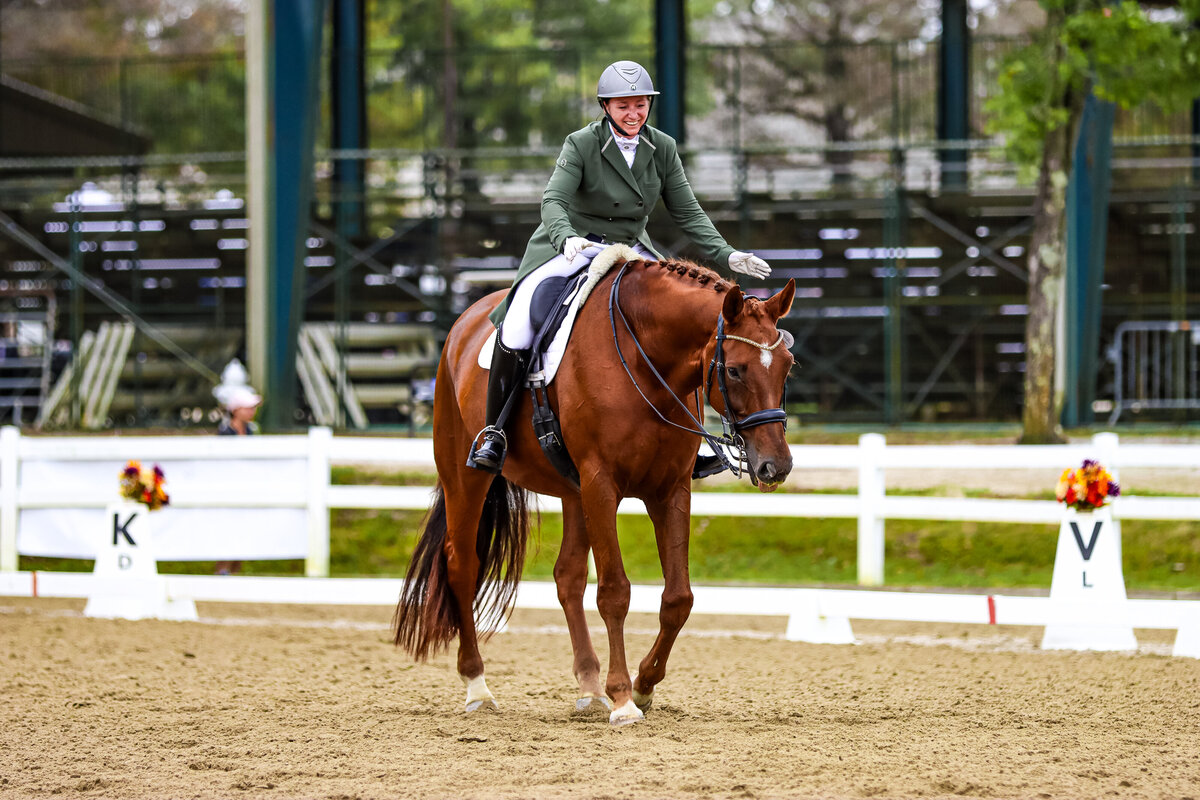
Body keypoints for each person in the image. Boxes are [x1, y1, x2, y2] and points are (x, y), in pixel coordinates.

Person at [467, 60, 772, 473]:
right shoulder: (581, 143)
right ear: (606, 106)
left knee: (682, 328)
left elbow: (687, 210)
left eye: (641, 105)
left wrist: (727, 254)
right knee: (521, 319)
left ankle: (693, 439)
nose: (633, 114)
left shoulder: (661, 146)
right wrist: (565, 236)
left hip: (631, 251)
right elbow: (552, 200)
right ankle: (495, 432)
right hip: (573, 246)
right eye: (624, 106)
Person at [214, 385, 261, 575]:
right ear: (235, 409)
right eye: (247, 407)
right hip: (228, 487)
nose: (251, 411)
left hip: (247, 486)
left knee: (243, 529)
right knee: (227, 528)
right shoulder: (225, 432)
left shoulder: (252, 430)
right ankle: (222, 570)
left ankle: (234, 571)